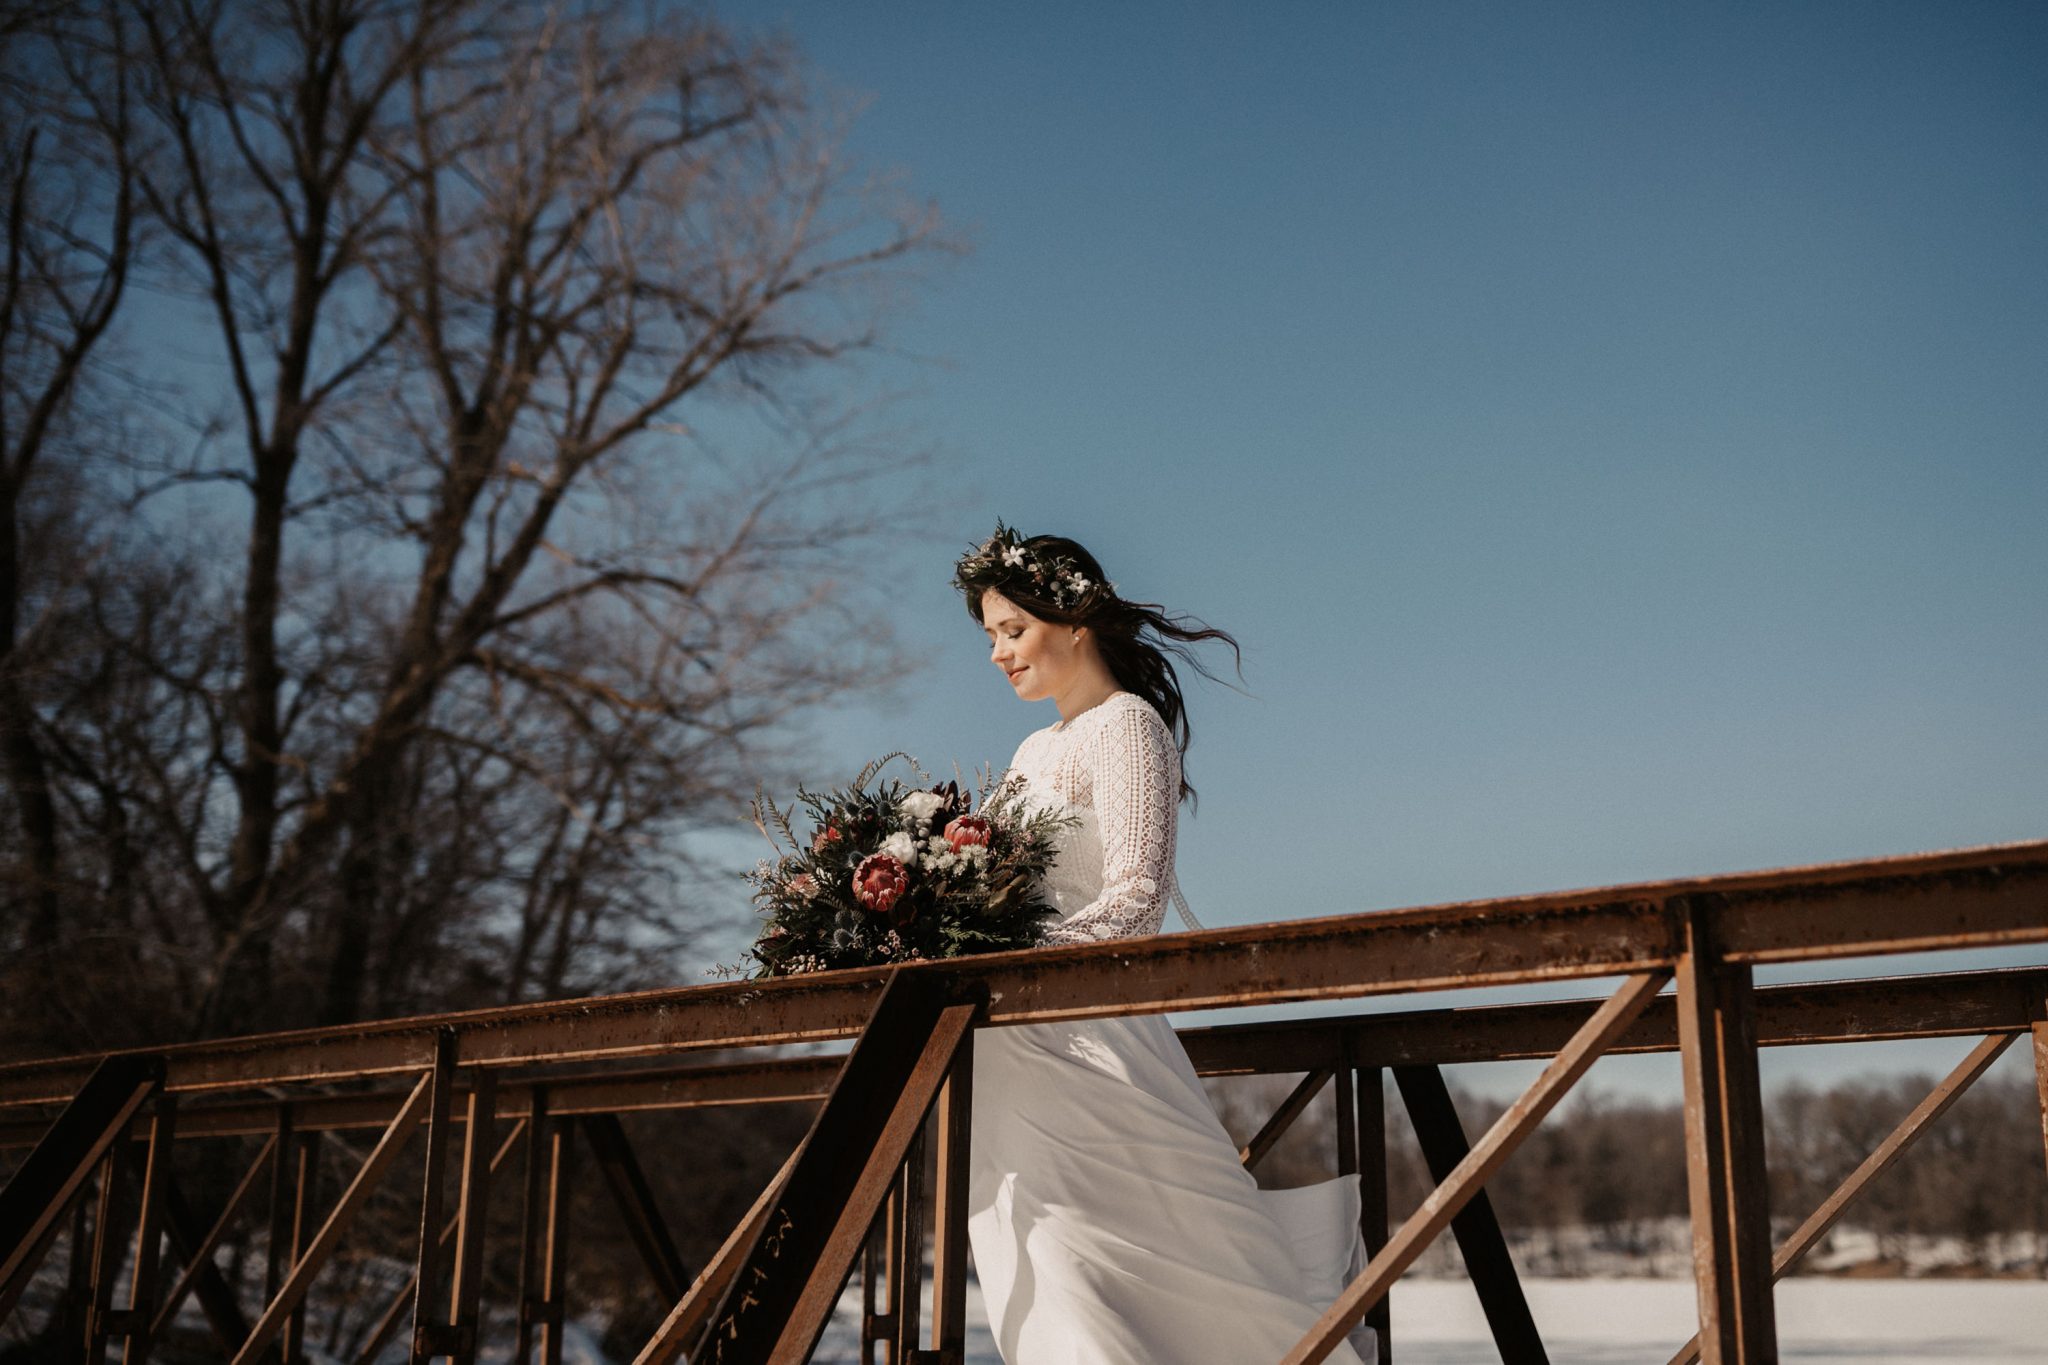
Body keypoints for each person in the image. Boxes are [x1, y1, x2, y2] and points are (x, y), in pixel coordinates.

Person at [952, 524, 1376, 1365]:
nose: (998, 654)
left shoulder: (1127, 725)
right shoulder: (1031, 750)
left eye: (1012, 630)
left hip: (1093, 1048)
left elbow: (1135, 901)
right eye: (990, 636)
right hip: (1009, 1061)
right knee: (1041, 1274)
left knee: (1104, 1277)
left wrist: (1017, 962)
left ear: (1074, 618)